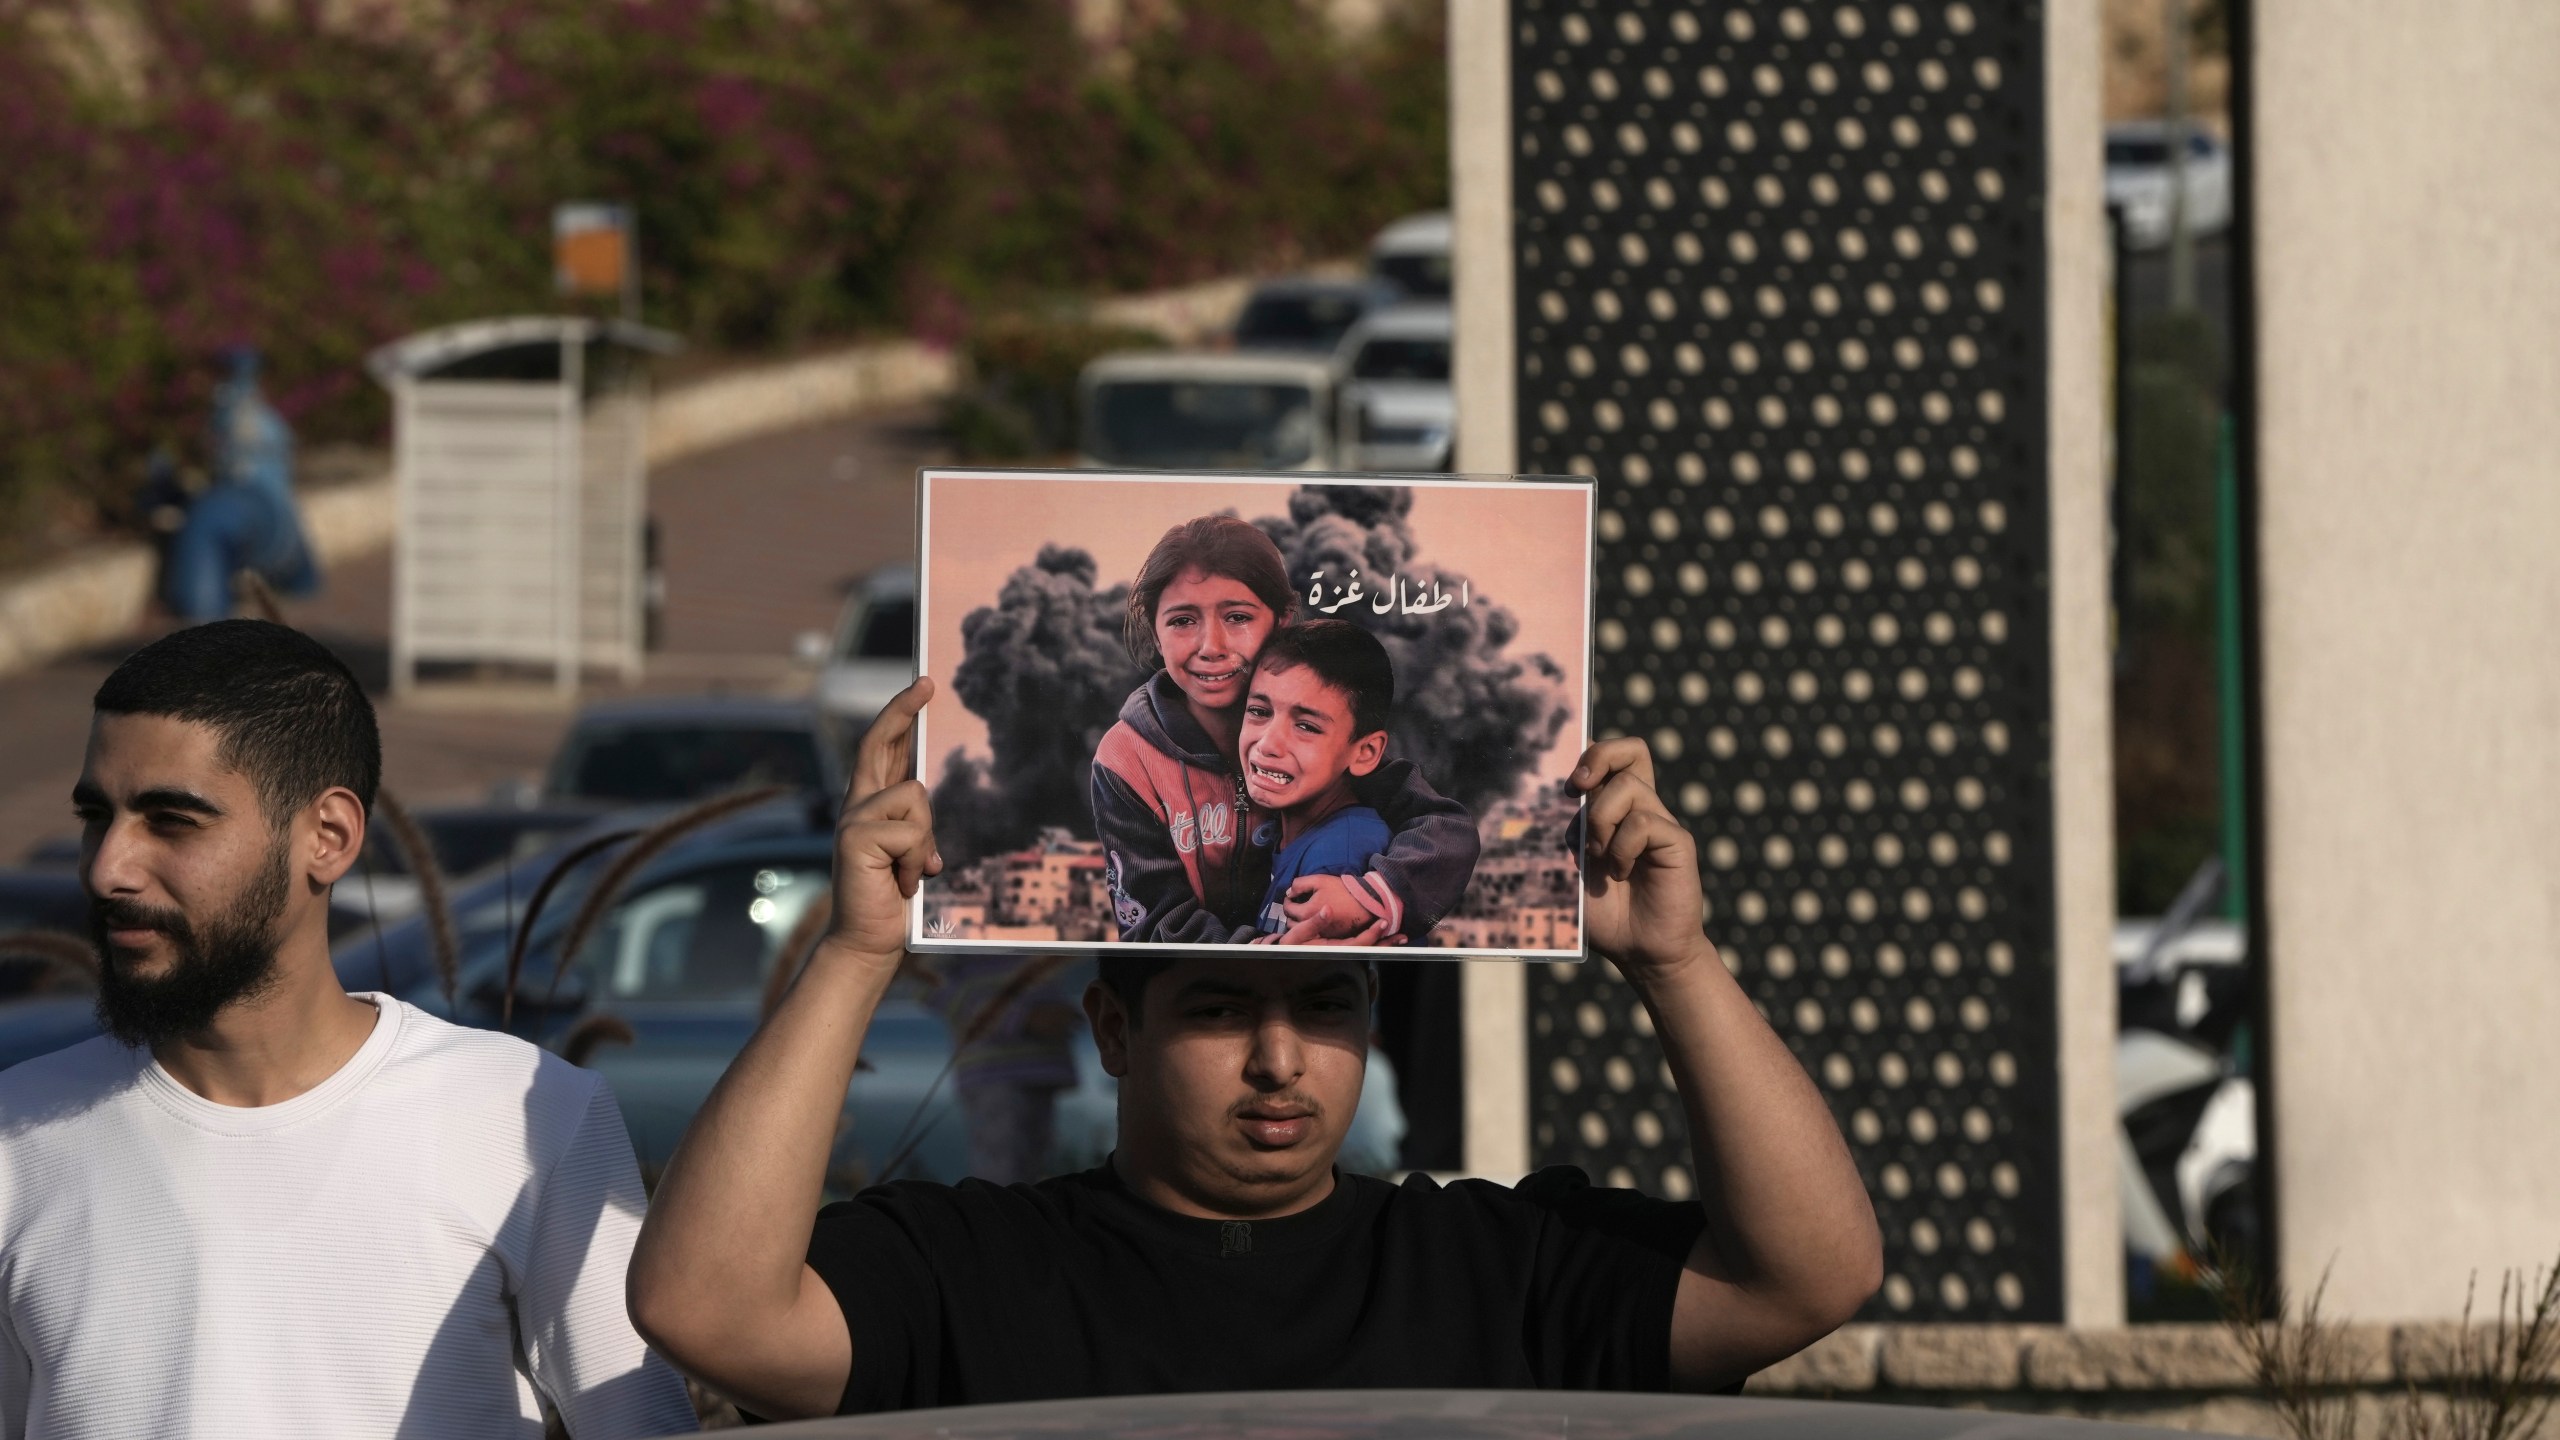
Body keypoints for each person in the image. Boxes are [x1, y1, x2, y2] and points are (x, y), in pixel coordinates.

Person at [628, 680, 1883, 1419]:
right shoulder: (974, 1271)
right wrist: (854, 953)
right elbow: (707, 1308)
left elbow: (1806, 1279)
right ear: (1116, 1030)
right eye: (1222, 1012)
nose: (1283, 1061)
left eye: (1327, 1010)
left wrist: (1674, 963)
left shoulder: (1490, 1268)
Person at [0, 620, 696, 1439]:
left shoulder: (530, 1117)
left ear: (327, 838)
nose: (107, 866)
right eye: (96, 816)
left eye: (171, 820)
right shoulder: (18, 1136)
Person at [1089, 515, 1477, 945]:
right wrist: (1270, 956)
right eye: (1182, 621)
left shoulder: (1314, 733)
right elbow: (1152, 922)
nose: (1211, 646)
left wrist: (1371, 898)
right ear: (1156, 633)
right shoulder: (1126, 759)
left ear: (1282, 622)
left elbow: (1445, 829)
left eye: (1237, 617)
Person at [1236, 621, 1400, 940]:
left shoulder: (1340, 854)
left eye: (1307, 727)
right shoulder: (1293, 828)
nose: (1268, 743)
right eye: (1259, 711)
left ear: (1365, 752)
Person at [163, 348, 320, 622]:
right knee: (210, 520)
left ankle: (206, 622)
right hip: (265, 519)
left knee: (208, 520)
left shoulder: (253, 420)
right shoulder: (255, 420)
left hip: (265, 518)